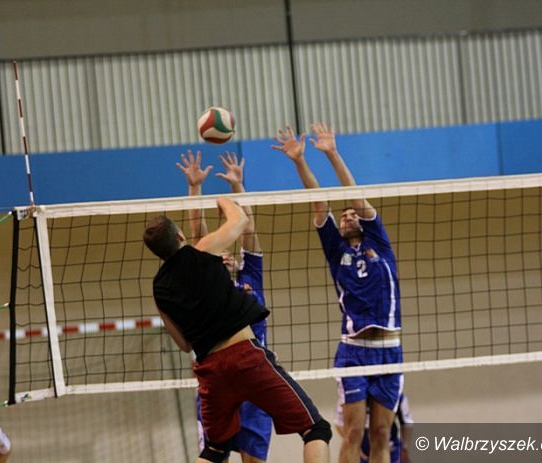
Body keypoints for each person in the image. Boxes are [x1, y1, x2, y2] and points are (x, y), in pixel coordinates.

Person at [143, 196, 331, 463]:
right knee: (316, 429)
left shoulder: (158, 288)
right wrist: (223, 199)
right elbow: (240, 219)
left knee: (215, 449)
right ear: (180, 235)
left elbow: (184, 345)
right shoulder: (202, 251)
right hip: (245, 357)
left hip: (210, 371)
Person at [272, 122, 403, 463]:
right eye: (342, 215)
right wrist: (300, 160)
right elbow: (319, 204)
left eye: (352, 214)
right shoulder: (336, 251)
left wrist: (332, 153)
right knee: (354, 432)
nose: (347, 217)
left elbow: (356, 195)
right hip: (353, 351)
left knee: (382, 433)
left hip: (390, 349)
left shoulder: (380, 243)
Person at [177, 150, 272, 463]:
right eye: (218, 253)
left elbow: (248, 229)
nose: (226, 254)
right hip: (219, 383)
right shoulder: (207, 281)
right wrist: (195, 188)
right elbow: (198, 236)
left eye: (228, 251)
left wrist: (237, 187)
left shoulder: (250, 275)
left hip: (256, 381)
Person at [334, 393, 414, 463]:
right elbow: (338, 423)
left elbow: (407, 422)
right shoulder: (349, 395)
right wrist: (353, 443)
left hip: (389, 445)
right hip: (363, 447)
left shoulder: (396, 395)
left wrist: (405, 447)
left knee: (381, 435)